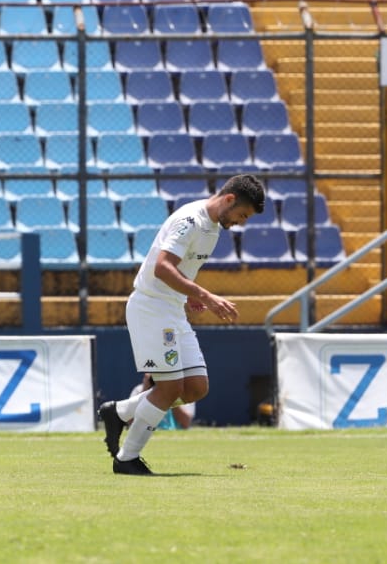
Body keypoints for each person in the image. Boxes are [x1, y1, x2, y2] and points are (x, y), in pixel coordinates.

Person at [100, 173, 265, 475]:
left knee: (196, 388)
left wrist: (188, 296)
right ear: (229, 199)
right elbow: (162, 267)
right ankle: (126, 459)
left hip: (173, 309)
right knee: (170, 386)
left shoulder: (213, 229)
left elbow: (178, 271)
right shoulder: (190, 220)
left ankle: (120, 411)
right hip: (152, 308)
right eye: (242, 214)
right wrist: (204, 294)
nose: (240, 222)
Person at [129, 375, 194, 431]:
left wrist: (172, 394)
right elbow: (130, 421)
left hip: (174, 437)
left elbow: (186, 423)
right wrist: (145, 391)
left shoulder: (183, 391)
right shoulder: (139, 390)